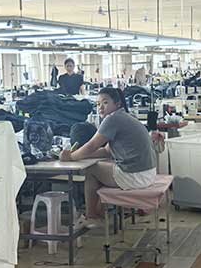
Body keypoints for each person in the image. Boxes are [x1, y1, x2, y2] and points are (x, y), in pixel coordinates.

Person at [59, 86, 156, 222]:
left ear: (117, 104)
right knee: (101, 168)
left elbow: (92, 145)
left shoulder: (112, 119)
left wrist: (70, 157)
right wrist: (76, 154)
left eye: (105, 102)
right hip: (148, 174)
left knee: (91, 170)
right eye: (98, 104)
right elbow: (105, 151)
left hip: (135, 176)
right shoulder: (124, 117)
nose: (100, 107)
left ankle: (91, 216)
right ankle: (98, 213)